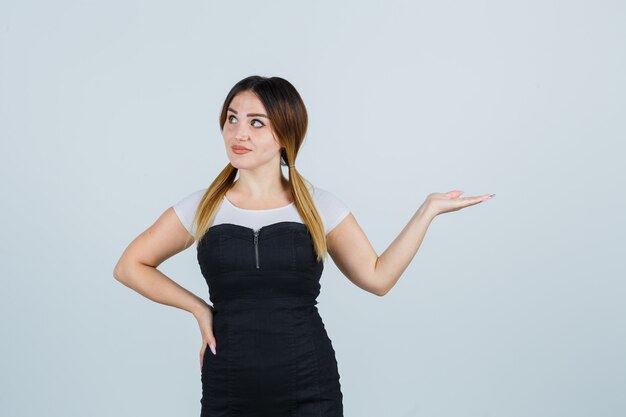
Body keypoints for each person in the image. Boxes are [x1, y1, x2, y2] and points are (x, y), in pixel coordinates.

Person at [113, 75, 495, 417]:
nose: (238, 133)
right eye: (232, 118)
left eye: (255, 123)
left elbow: (378, 278)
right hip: (228, 387)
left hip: (309, 386)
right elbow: (130, 265)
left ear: (284, 134)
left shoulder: (318, 204)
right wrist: (199, 309)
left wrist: (427, 211)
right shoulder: (203, 206)